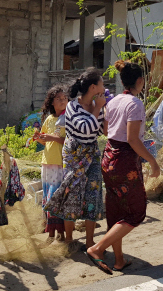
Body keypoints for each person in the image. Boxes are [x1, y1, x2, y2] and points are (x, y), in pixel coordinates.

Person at [85, 61, 160, 275]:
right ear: (140, 81)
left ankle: (119, 260)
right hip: (125, 161)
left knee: (116, 210)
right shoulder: (135, 104)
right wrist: (153, 162)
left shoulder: (114, 101)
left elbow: (107, 130)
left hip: (109, 157)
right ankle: (97, 249)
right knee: (136, 212)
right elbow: (133, 140)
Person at [44, 67, 107, 253]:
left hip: (92, 153)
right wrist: (97, 109)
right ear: (93, 87)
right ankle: (70, 240)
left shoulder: (98, 105)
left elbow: (104, 132)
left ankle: (89, 242)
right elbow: (86, 129)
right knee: (72, 194)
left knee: (92, 195)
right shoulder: (72, 106)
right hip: (74, 154)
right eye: (102, 83)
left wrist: (104, 109)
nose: (104, 87)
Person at [34, 85, 68, 246]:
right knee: (48, 198)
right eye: (59, 99)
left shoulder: (68, 118)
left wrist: (52, 138)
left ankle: (59, 235)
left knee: (56, 199)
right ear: (51, 103)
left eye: (65, 98)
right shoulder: (49, 119)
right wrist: (38, 138)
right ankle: (51, 234)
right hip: (47, 163)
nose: (62, 101)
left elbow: (68, 141)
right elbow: (44, 140)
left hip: (60, 163)